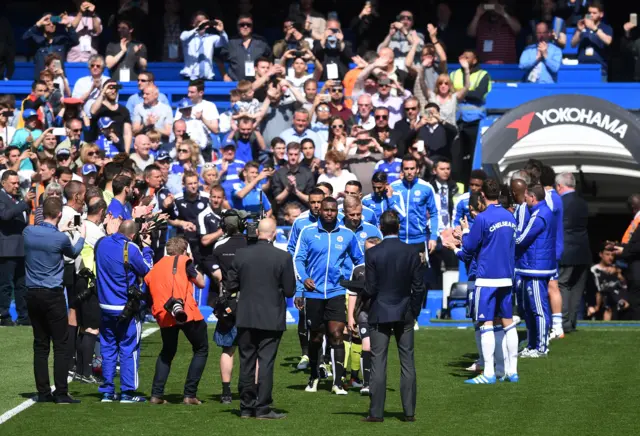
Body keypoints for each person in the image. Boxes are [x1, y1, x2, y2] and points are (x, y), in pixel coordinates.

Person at [443, 179, 518, 384]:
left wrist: (463, 235)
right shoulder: (510, 216)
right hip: (507, 277)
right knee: (507, 323)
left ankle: (489, 373)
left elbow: (468, 248)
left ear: (483, 194)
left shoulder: (484, 218)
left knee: (485, 324)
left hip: (487, 278)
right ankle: (511, 371)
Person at [226, 218, 295, 419]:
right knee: (265, 362)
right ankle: (263, 407)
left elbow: (231, 285)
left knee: (246, 361)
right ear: (274, 233)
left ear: (257, 232)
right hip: (271, 316)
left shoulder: (242, 254)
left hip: (246, 315)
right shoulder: (282, 257)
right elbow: (290, 291)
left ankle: (246, 407)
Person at [293, 197, 364, 395]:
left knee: (336, 334)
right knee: (316, 337)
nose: (329, 213)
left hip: (336, 292)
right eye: (326, 210)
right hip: (314, 293)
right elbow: (298, 259)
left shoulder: (347, 235)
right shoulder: (307, 232)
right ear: (320, 211)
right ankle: (314, 377)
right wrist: (304, 280)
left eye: (333, 210)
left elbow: (360, 260)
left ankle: (338, 383)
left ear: (337, 212)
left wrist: (353, 281)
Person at [361, 210, 425, 422]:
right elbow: (419, 286)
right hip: (405, 312)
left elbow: (370, 288)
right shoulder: (411, 252)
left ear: (381, 227)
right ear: (399, 227)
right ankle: (409, 413)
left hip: (380, 312)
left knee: (378, 362)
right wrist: (414, 311)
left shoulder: (372, 253)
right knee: (407, 362)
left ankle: (376, 413)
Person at [24, 197, 85, 403]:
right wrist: (80, 236)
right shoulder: (60, 239)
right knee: (61, 344)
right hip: (52, 294)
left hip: (32, 293)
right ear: (59, 214)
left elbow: (43, 237)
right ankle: (61, 392)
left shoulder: (28, 232)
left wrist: (62, 231)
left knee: (40, 344)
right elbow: (74, 252)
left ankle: (43, 393)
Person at [95, 219, 153, 403]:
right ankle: (127, 392)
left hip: (105, 306)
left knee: (108, 348)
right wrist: (147, 248)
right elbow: (148, 270)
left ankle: (107, 391)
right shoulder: (131, 248)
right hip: (126, 307)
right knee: (129, 348)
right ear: (133, 235)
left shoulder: (101, 243)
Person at [146, 237, 208, 405]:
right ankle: (190, 394)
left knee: (167, 352)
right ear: (184, 251)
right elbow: (201, 282)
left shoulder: (156, 267)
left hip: (164, 313)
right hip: (186, 312)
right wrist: (191, 261)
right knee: (201, 348)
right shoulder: (184, 261)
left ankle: (156, 394)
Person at [209, 211, 248, 404]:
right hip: (250, 302)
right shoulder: (251, 244)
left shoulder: (219, 246)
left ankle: (226, 391)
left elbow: (217, 275)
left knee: (227, 349)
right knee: (252, 350)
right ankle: (250, 389)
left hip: (229, 302)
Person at [515, 184, 556, 358]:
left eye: (526, 197)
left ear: (532, 197)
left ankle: (541, 347)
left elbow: (522, 239)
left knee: (538, 309)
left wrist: (508, 234)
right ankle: (532, 345)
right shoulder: (542, 212)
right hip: (531, 267)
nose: (524, 200)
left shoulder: (540, 214)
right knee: (530, 308)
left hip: (536, 269)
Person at [556, 172, 591, 333]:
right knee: (577, 287)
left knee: (563, 285)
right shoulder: (583, 202)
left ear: (559, 186)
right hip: (583, 250)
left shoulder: (559, 202)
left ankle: (563, 322)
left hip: (566, 250)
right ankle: (571, 321)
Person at [0, 170, 35, 326]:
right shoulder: (2, 198)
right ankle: (4, 315)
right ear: (3, 183)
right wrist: (23, 204)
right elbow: (5, 216)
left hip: (21, 248)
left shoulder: (17, 198)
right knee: (6, 285)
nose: (16, 186)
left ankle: (23, 315)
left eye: (17, 183)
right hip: (6, 249)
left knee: (22, 285)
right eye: (13, 183)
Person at [391, 155, 438, 258]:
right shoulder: (393, 187)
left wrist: (433, 237)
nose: (409, 172)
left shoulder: (426, 188)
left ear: (417, 169)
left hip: (419, 240)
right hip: (398, 239)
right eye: (406, 168)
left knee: (418, 273)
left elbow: (434, 213)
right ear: (402, 170)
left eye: (412, 168)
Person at [540, 165, 565, 339]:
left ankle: (557, 327)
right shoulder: (556, 197)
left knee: (552, 286)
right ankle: (555, 326)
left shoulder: (549, 198)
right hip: (554, 246)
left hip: (550, 248)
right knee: (551, 286)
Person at [22, 14, 79, 79]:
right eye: (48, 24)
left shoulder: (62, 40)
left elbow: (75, 41)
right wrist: (38, 24)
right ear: (43, 26)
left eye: (54, 24)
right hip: (42, 80)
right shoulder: (37, 40)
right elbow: (24, 38)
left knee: (57, 89)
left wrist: (68, 25)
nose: (51, 25)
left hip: (58, 78)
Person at [271, 142, 315, 224]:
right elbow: (278, 200)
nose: (293, 157)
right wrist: (288, 188)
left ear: (300, 155)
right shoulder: (279, 173)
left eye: (296, 154)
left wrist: (296, 191)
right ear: (286, 155)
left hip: (303, 215)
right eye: (291, 154)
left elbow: (311, 199)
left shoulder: (307, 173)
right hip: (283, 217)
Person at [220, 15, 272, 82]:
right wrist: (224, 75)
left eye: (248, 25)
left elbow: (270, 59)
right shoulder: (230, 43)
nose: (245, 27)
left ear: (252, 27)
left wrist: (267, 76)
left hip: (257, 84)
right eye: (242, 25)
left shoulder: (261, 42)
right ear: (237, 26)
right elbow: (219, 60)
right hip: (236, 84)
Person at [569, 0, 613, 81]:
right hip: (582, 68)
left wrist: (594, 28)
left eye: (594, 13)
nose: (591, 15)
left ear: (601, 14)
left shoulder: (606, 27)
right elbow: (573, 44)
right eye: (589, 13)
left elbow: (608, 41)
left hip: (600, 69)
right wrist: (579, 30)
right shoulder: (583, 26)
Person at [180, 12, 228, 81]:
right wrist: (198, 28)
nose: (202, 24)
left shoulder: (212, 38)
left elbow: (225, 42)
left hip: (207, 79)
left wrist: (222, 31)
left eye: (204, 22)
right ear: (193, 24)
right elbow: (182, 37)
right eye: (198, 22)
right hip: (190, 78)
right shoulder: (188, 37)